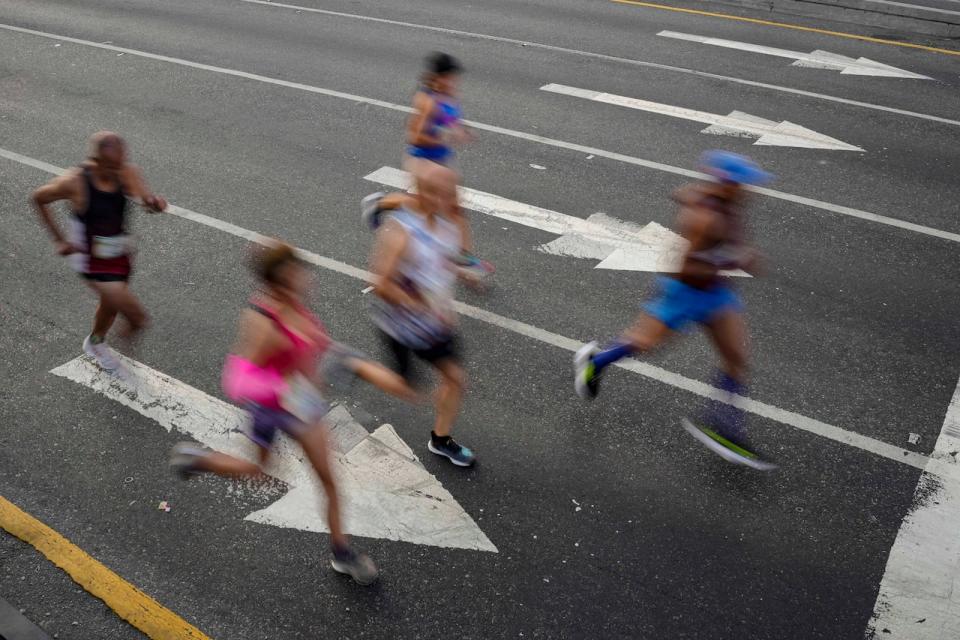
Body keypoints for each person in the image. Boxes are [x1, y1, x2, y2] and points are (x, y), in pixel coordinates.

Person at [169, 241, 420, 585]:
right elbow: (237, 380)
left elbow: (318, 352)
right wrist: (281, 389)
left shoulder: (298, 307)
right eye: (295, 273)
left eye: (301, 270)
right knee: (260, 472)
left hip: (303, 409)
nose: (305, 278)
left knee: (329, 481)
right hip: (270, 410)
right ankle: (200, 460)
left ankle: (341, 553)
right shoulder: (263, 322)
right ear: (277, 282)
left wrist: (360, 370)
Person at [573, 151, 776, 471]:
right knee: (644, 344)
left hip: (717, 294)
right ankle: (595, 361)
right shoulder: (705, 219)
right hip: (685, 293)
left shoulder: (727, 205)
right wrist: (731, 259)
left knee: (737, 359)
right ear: (729, 184)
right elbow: (685, 267)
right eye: (745, 184)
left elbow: (686, 193)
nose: (752, 190)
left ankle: (723, 427)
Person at [31, 131, 167, 374]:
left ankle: (95, 342)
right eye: (113, 165)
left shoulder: (126, 171)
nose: (119, 170)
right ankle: (103, 347)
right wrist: (59, 240)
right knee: (137, 318)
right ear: (95, 161)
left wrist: (154, 204)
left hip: (118, 253)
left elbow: (146, 203)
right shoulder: (74, 182)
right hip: (88, 259)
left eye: (122, 161)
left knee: (110, 305)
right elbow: (38, 198)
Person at [369, 163, 475, 467]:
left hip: (435, 324)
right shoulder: (400, 232)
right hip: (402, 326)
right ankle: (355, 366)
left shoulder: (446, 221)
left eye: (455, 192)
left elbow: (445, 257)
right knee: (410, 390)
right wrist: (420, 305)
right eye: (447, 193)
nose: (455, 199)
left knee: (455, 379)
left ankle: (441, 440)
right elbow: (380, 285)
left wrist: (462, 274)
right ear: (426, 194)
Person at [362, 51, 493, 282]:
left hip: (442, 158)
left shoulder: (448, 94)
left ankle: (464, 257)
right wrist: (445, 136)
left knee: (454, 208)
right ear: (438, 77)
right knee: (424, 207)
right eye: (450, 77)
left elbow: (451, 119)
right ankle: (380, 203)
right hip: (422, 160)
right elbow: (415, 136)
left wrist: (461, 130)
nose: (454, 81)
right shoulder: (427, 101)